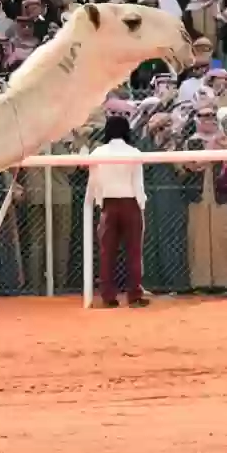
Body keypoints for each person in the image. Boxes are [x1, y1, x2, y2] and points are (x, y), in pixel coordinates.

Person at [87, 115, 149, 308]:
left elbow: (94, 182)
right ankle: (134, 295)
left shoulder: (97, 153)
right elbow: (138, 184)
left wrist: (99, 203)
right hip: (130, 203)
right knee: (134, 252)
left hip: (108, 203)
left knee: (107, 252)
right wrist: (141, 205)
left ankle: (108, 296)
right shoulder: (134, 152)